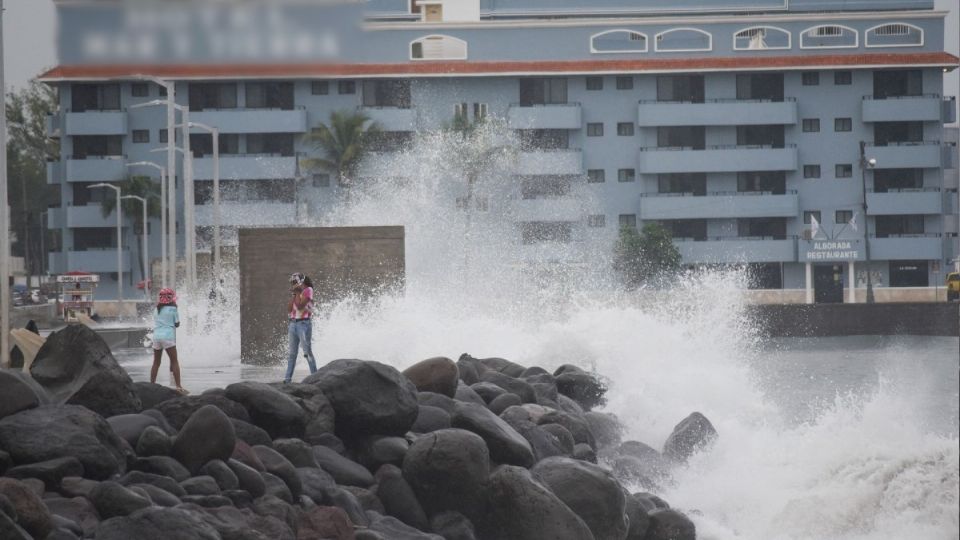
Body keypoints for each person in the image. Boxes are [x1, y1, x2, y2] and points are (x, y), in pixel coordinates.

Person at [152, 288, 187, 394]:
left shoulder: (156, 309)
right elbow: (177, 324)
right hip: (168, 337)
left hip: (156, 336)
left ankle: (151, 384)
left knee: (156, 362)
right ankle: (179, 387)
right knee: (174, 361)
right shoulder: (173, 309)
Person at [285, 272, 318, 383]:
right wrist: (294, 295)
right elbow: (289, 309)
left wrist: (298, 292)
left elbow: (300, 307)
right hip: (293, 324)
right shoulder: (296, 293)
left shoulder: (308, 290)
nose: (293, 284)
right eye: (292, 282)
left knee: (307, 352)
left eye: (295, 282)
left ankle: (315, 377)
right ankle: (287, 379)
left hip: (304, 324)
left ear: (301, 281)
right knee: (292, 354)